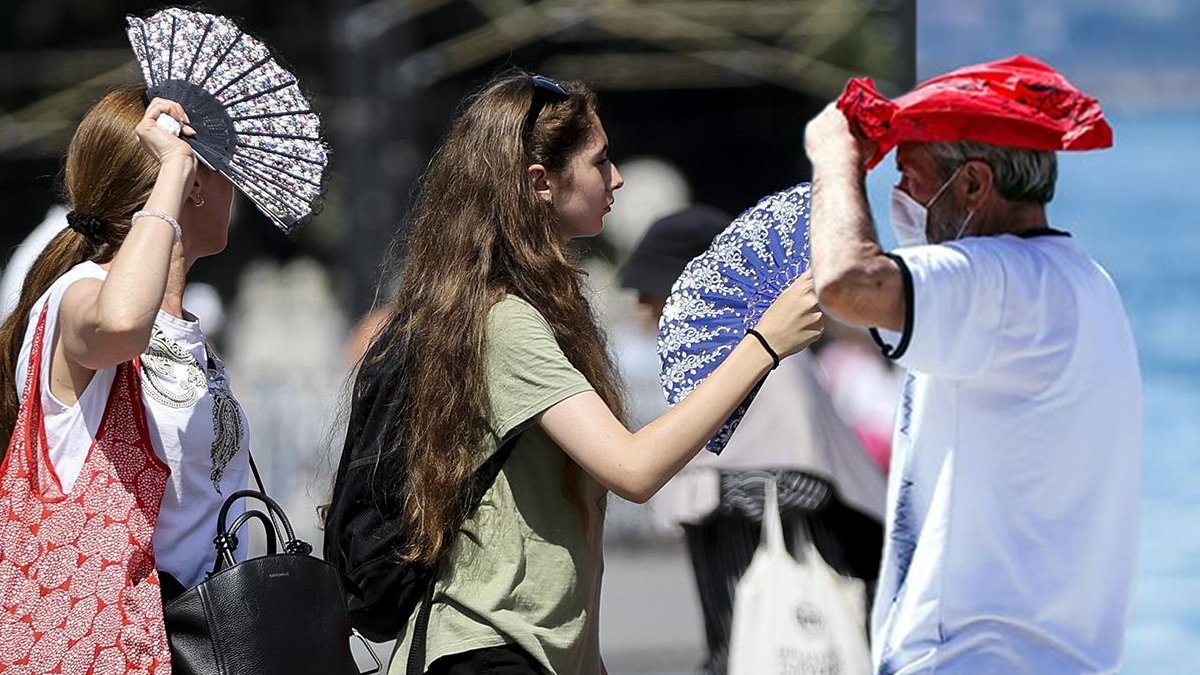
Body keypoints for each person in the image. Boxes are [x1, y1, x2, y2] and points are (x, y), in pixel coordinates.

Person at [349, 70, 823, 675]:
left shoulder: (524, 310)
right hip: (487, 652)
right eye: (600, 161)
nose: (616, 176)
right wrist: (762, 344)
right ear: (540, 183)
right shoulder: (507, 322)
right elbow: (633, 468)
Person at [803, 55, 1141, 673]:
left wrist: (833, 156)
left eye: (910, 176)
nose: (900, 197)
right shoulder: (1085, 283)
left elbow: (848, 282)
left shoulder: (998, 279)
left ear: (973, 186)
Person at [0, 87, 250, 669]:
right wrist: (174, 169)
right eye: (223, 168)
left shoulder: (191, 335)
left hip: (191, 638)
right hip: (103, 642)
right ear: (188, 182)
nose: (234, 186)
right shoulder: (78, 295)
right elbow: (120, 323)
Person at [617, 204, 886, 675]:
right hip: (739, 608)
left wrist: (714, 488)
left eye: (652, 295)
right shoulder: (721, 358)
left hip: (789, 600)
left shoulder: (765, 357)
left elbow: (807, 482)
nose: (643, 313)